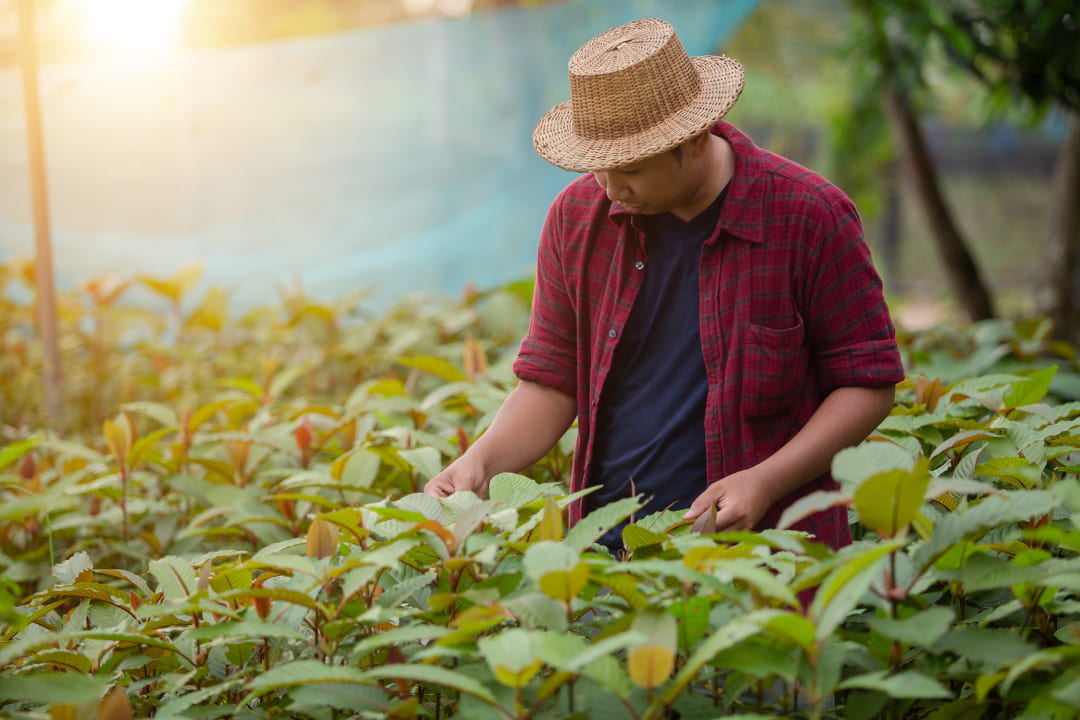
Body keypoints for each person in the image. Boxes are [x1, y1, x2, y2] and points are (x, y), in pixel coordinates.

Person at [424, 17, 905, 553]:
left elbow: (867, 382)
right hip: (608, 554)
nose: (609, 187)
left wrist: (766, 480)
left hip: (765, 554)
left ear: (694, 137)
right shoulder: (577, 218)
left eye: (628, 167)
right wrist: (479, 462)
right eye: (597, 166)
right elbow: (550, 381)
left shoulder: (808, 216)